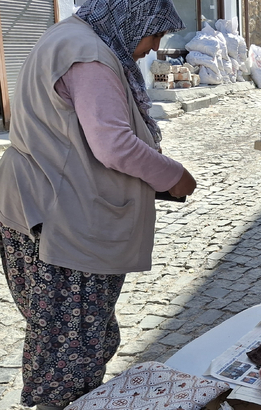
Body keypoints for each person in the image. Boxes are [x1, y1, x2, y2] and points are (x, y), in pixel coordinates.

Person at [0, 1, 196, 409]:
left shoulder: (70, 35)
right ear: (133, 19)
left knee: (65, 331)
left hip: (36, 204)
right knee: (71, 345)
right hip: (63, 219)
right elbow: (114, 144)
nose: (154, 47)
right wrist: (173, 175)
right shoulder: (88, 55)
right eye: (155, 34)